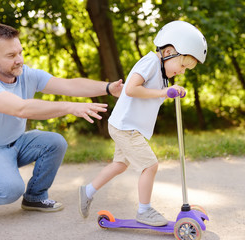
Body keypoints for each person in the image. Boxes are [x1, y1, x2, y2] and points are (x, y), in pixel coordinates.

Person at [0, 23, 123, 224]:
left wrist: (107, 87)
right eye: (11, 56)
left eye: (20, 52)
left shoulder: (26, 74)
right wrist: (69, 107)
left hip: (14, 143)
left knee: (55, 142)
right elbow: (21, 108)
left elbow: (68, 84)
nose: (19, 60)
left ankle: (35, 198)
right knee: (10, 189)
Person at [78, 20, 207, 226]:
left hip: (126, 125)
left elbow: (152, 94)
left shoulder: (162, 71)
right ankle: (144, 210)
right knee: (150, 165)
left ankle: (88, 191)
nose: (182, 71)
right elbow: (131, 89)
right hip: (125, 127)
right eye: (182, 65)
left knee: (120, 165)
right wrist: (163, 92)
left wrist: (171, 92)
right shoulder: (150, 62)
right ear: (168, 52)